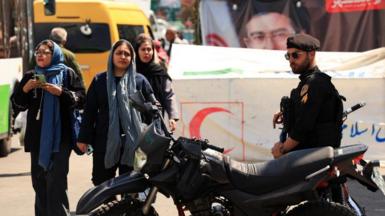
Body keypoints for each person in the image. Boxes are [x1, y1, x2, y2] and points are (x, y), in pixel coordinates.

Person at [11, 39, 85, 216]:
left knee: (56, 182)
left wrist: (61, 92)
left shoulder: (67, 75)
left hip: (61, 139)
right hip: (38, 140)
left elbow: (82, 98)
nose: (40, 55)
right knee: (39, 183)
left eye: (45, 52)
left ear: (55, 55)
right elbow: (17, 105)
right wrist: (25, 90)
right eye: (38, 52)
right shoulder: (31, 76)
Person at [76, 39, 156, 186]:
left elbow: (154, 110)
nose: (123, 57)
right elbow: (89, 111)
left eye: (127, 54)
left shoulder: (140, 81)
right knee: (102, 183)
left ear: (132, 58)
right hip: (104, 141)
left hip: (134, 142)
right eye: (119, 53)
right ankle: (110, 209)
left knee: (132, 185)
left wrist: (152, 138)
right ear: (112, 55)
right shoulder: (99, 80)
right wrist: (83, 138)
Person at [271, 34, 343, 158]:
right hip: (308, 156)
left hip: (314, 158)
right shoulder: (307, 82)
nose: (291, 60)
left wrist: (282, 149)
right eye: (288, 56)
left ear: (311, 54)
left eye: (296, 55)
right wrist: (288, 113)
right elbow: (308, 112)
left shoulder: (316, 83)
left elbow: (304, 126)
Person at [134, 33, 179, 131]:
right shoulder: (131, 73)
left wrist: (172, 117)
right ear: (137, 51)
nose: (147, 52)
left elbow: (169, 95)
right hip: (134, 120)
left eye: (149, 49)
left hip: (156, 120)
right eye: (143, 49)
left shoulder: (159, 72)